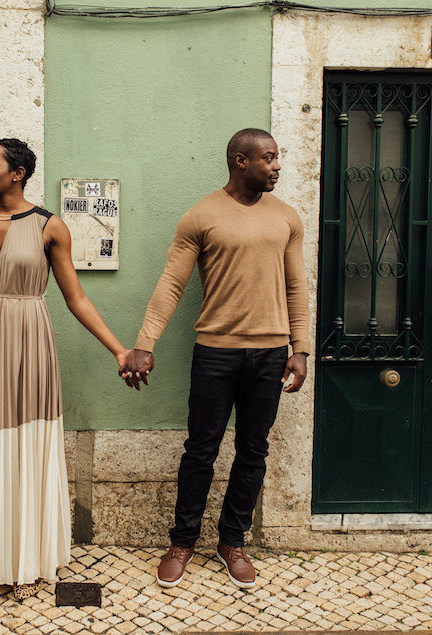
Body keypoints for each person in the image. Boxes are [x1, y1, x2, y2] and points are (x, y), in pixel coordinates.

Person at [0, 138, 129, 599]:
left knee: (23, 446)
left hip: (28, 346)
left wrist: (118, 350)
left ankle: (25, 563)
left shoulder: (49, 227)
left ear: (17, 173)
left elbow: (75, 298)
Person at [120, 128, 310, 590]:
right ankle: (182, 542)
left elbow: (296, 287)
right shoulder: (201, 216)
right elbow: (171, 284)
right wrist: (145, 343)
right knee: (200, 451)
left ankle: (232, 542)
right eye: (268, 158)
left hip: (269, 353)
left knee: (254, 449)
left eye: (277, 157)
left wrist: (300, 349)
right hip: (215, 354)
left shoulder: (287, 218)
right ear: (241, 161)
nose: (277, 166)